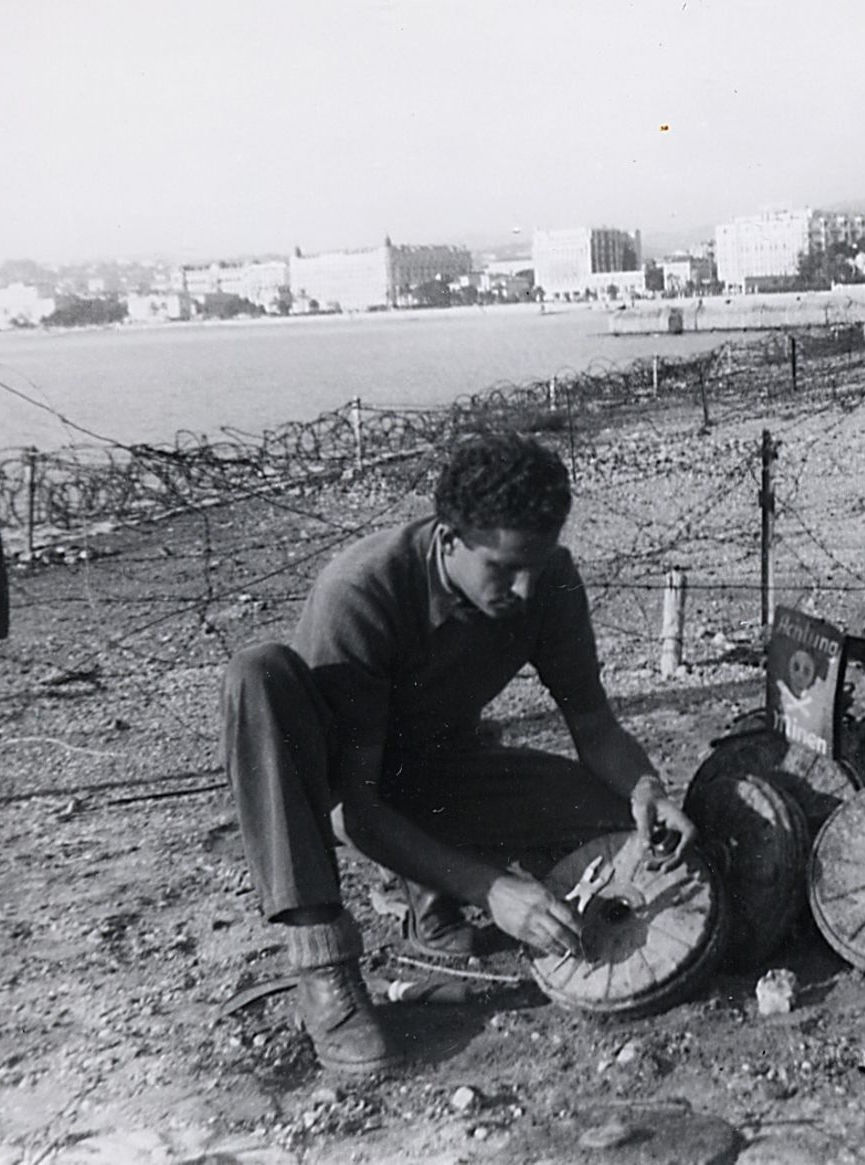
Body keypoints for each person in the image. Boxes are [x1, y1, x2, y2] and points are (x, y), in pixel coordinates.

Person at [222, 432, 696, 1075]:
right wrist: (492, 887)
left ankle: (435, 915)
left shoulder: (546, 577)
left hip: (443, 768)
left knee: (620, 824)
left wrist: (647, 790)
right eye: (504, 570)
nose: (526, 589)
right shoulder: (360, 592)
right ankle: (323, 966)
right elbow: (359, 811)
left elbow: (594, 723)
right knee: (258, 673)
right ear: (448, 541)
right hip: (342, 795)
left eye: (538, 563)